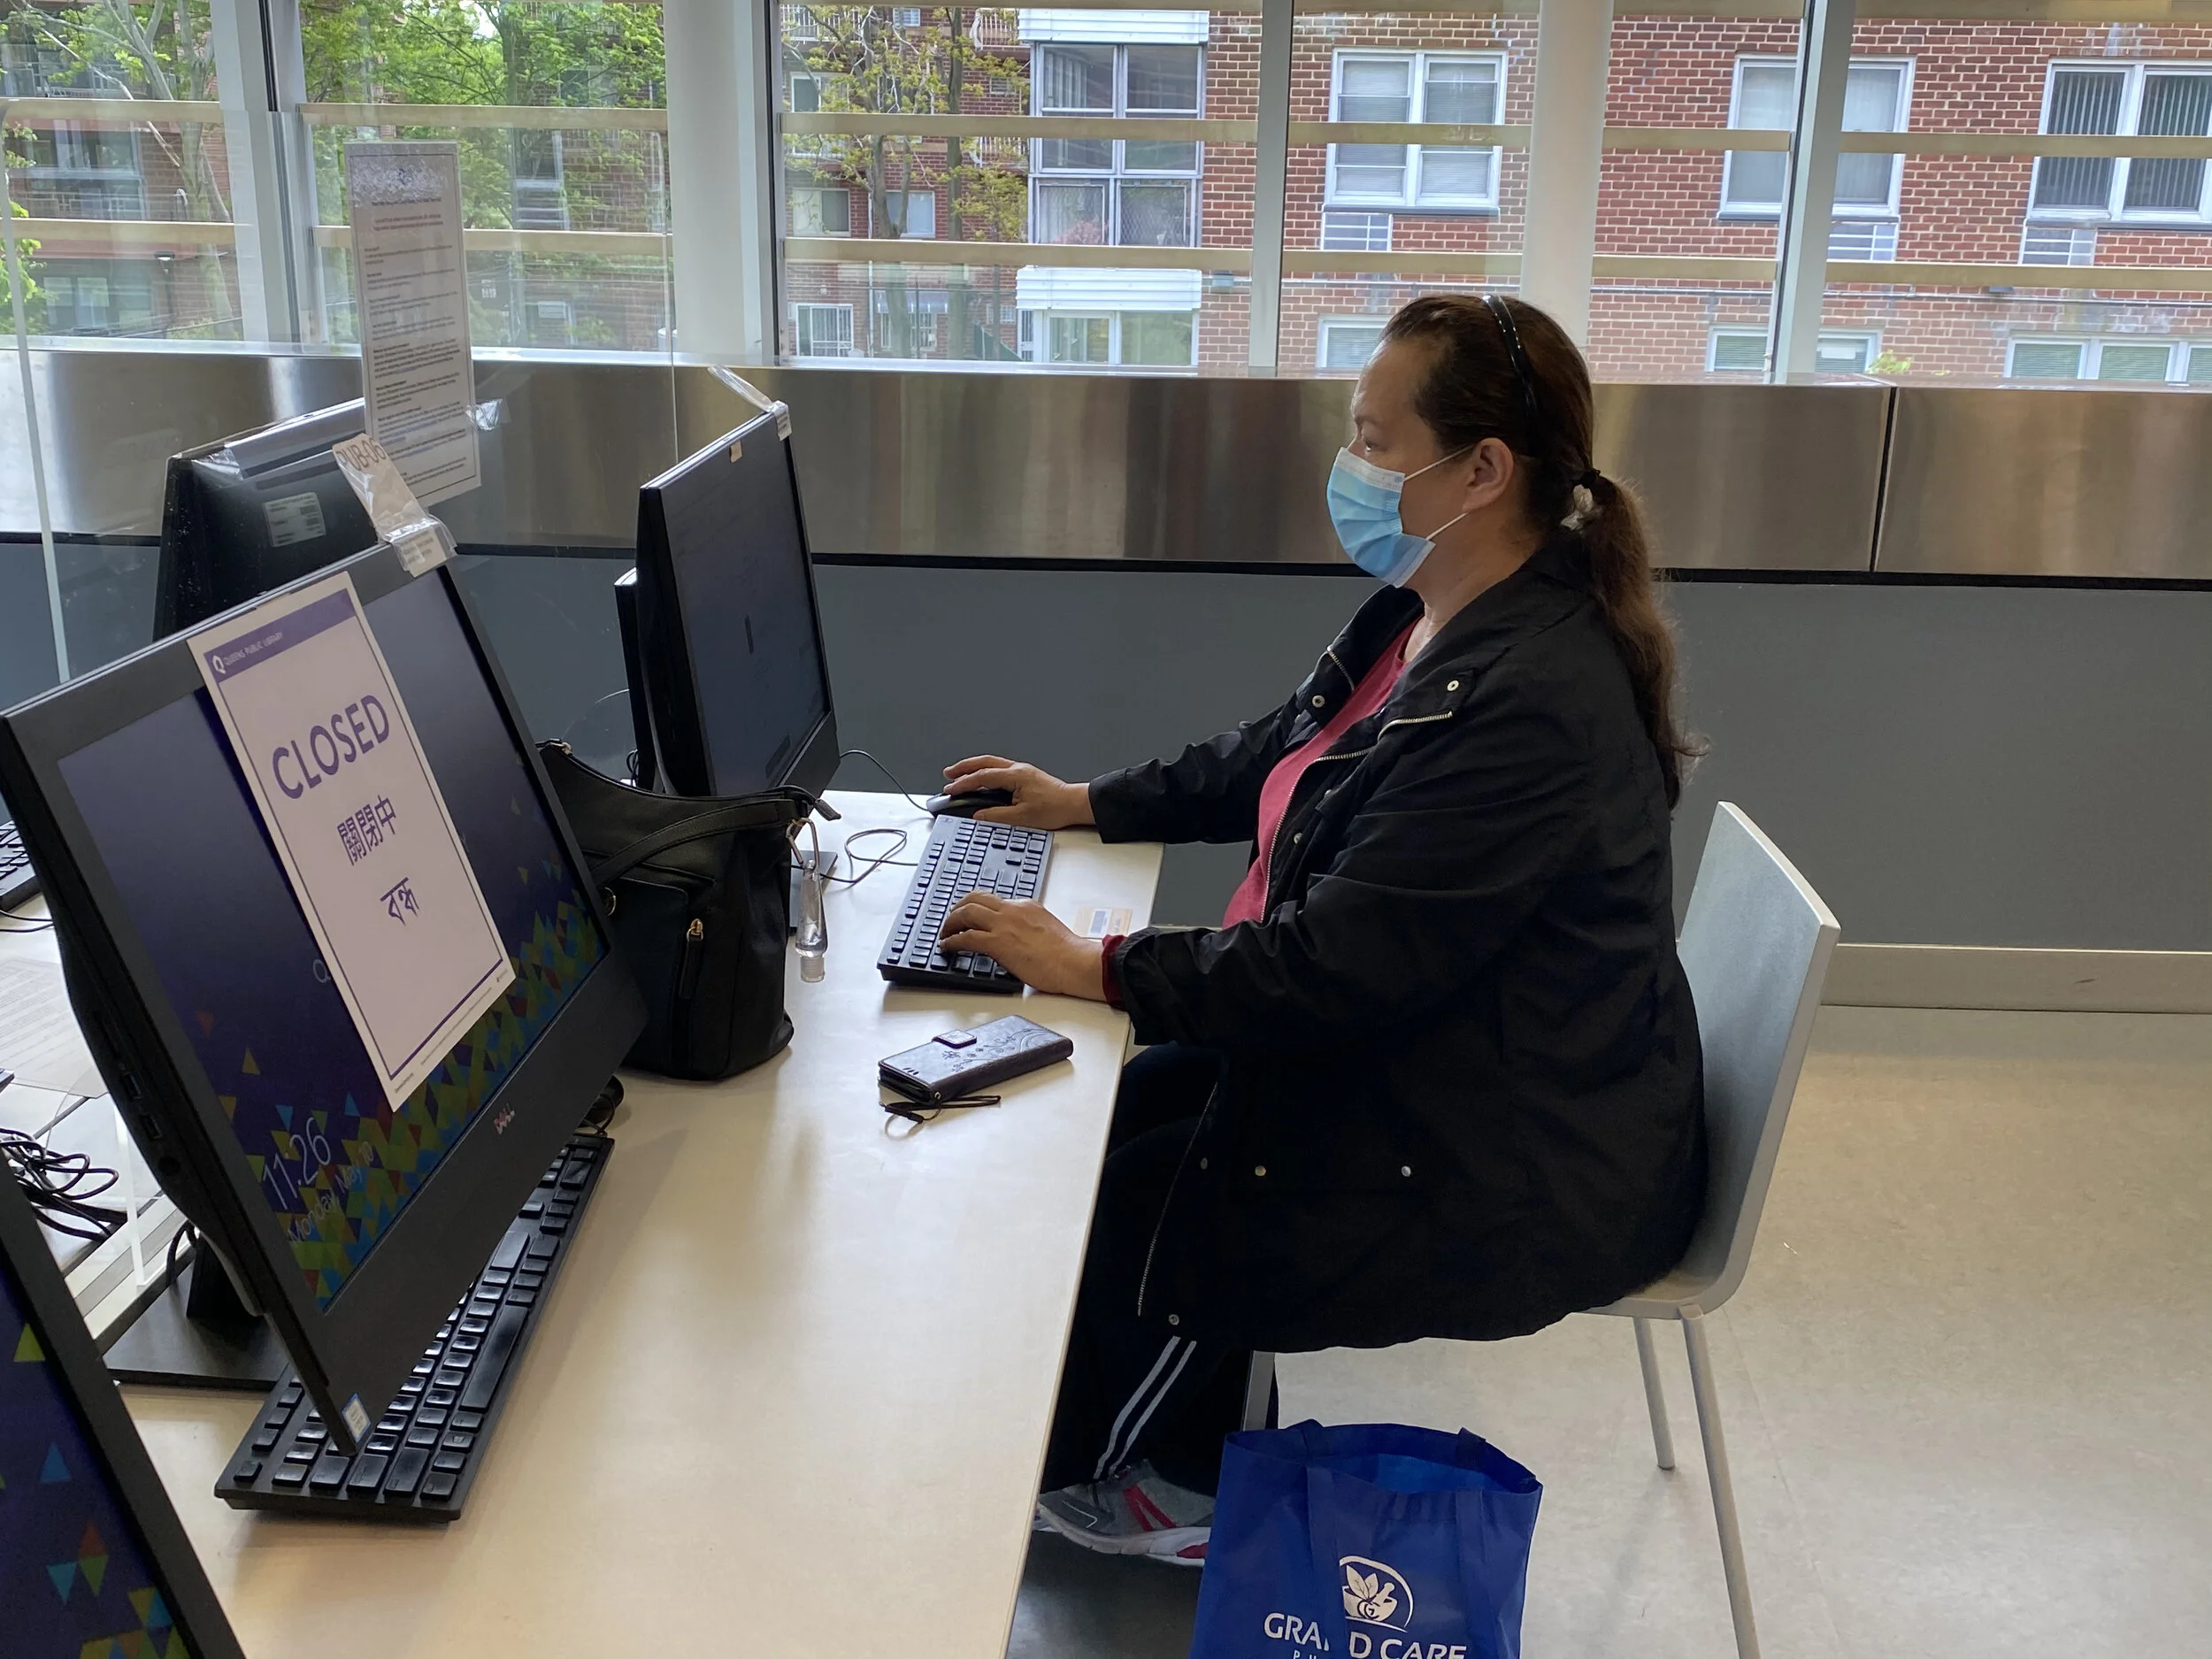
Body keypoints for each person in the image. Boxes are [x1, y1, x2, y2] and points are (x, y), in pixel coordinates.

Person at [937, 293, 1707, 1568]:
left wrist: (1099, 962)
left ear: (1483, 470)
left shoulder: (1532, 701)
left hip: (1522, 1155)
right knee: (1127, 1115)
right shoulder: (1434, 607)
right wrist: (1090, 802)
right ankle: (1155, 1430)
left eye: (1371, 434)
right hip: (1470, 1054)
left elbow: (1337, 964)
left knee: (1157, 1184)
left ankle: (1158, 1481)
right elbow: (1278, 751)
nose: (1349, 465)